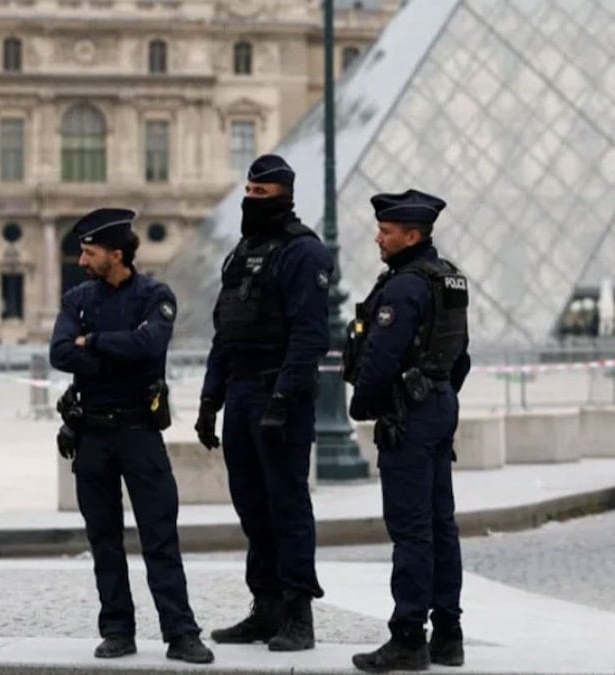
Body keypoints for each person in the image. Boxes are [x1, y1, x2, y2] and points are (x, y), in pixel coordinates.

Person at [49, 208, 213, 664]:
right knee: (103, 540)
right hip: (92, 434)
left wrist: (94, 343)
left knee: (160, 537)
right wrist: (116, 348)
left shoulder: (155, 294)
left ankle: (181, 632)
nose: (81, 260)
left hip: (140, 433)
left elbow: (150, 346)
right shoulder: (78, 298)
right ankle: (117, 630)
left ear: (116, 254)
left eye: (89, 252)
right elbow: (60, 352)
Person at [195, 154, 332, 652]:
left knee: (287, 506)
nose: (250, 203)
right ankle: (265, 605)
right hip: (240, 392)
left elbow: (309, 336)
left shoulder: (304, 253)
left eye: (260, 196)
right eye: (247, 194)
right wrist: (211, 399)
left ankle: (298, 613)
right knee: (252, 506)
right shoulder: (241, 252)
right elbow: (225, 329)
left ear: (283, 197)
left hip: (279, 394)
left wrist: (283, 397)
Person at [343, 189, 471, 673]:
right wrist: (439, 393)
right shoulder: (449, 278)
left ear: (411, 235)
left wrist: (366, 405)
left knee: (412, 529)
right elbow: (462, 354)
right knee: (442, 524)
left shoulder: (403, 287)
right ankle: (448, 635)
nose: (378, 237)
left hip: (409, 416)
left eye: (387, 231)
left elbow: (379, 359)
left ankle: (408, 638)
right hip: (438, 404)